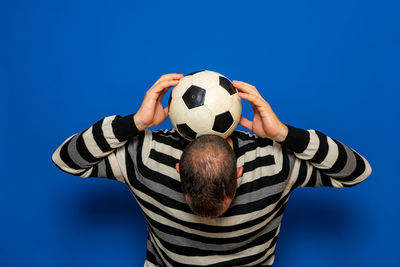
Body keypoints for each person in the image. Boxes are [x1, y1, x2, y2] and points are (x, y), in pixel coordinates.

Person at [52, 73, 372, 266]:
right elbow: (355, 171)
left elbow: (67, 159)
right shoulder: (275, 164)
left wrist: (135, 123)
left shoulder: (147, 157)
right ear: (239, 174)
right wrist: (283, 134)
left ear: (178, 170)